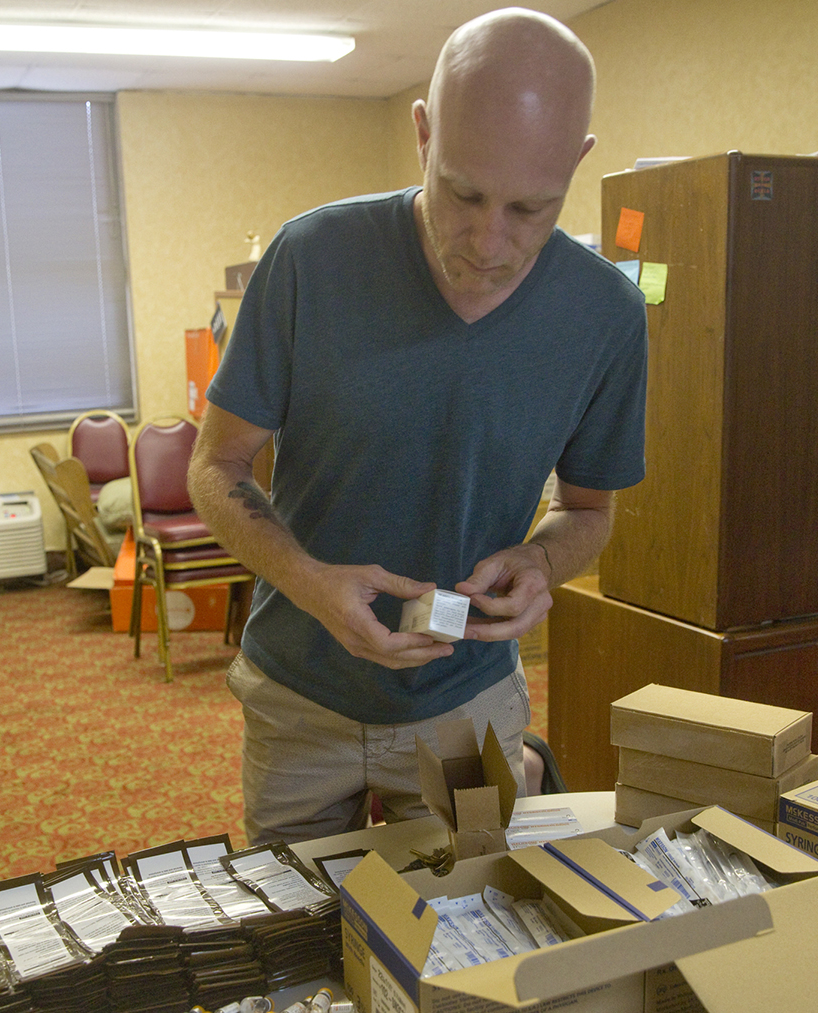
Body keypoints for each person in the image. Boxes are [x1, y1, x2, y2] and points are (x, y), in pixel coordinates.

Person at [187, 7, 649, 844]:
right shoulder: (311, 258)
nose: (488, 241)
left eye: (531, 209)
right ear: (423, 135)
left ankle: (530, 767)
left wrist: (542, 563)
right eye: (463, 193)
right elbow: (217, 465)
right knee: (292, 939)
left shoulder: (607, 313)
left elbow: (592, 508)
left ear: (578, 164)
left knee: (469, 931)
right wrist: (306, 579)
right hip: (300, 694)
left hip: (466, 705)